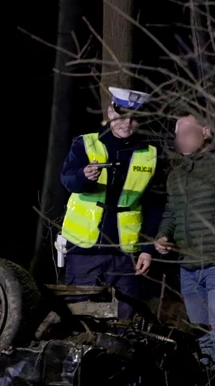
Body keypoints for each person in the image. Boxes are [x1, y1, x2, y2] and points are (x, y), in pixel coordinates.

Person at [155, 113, 215, 386]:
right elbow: (170, 212)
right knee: (202, 336)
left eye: (185, 132)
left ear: (205, 132)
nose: (179, 138)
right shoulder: (176, 174)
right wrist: (162, 235)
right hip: (188, 267)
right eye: (177, 134)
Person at [59, 87, 163, 318]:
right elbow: (67, 180)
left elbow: (155, 206)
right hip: (84, 249)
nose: (127, 123)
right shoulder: (85, 144)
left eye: (135, 118)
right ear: (110, 112)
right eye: (122, 115)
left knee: (124, 318)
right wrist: (83, 177)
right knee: (78, 315)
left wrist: (147, 249)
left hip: (125, 253)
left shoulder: (151, 154)